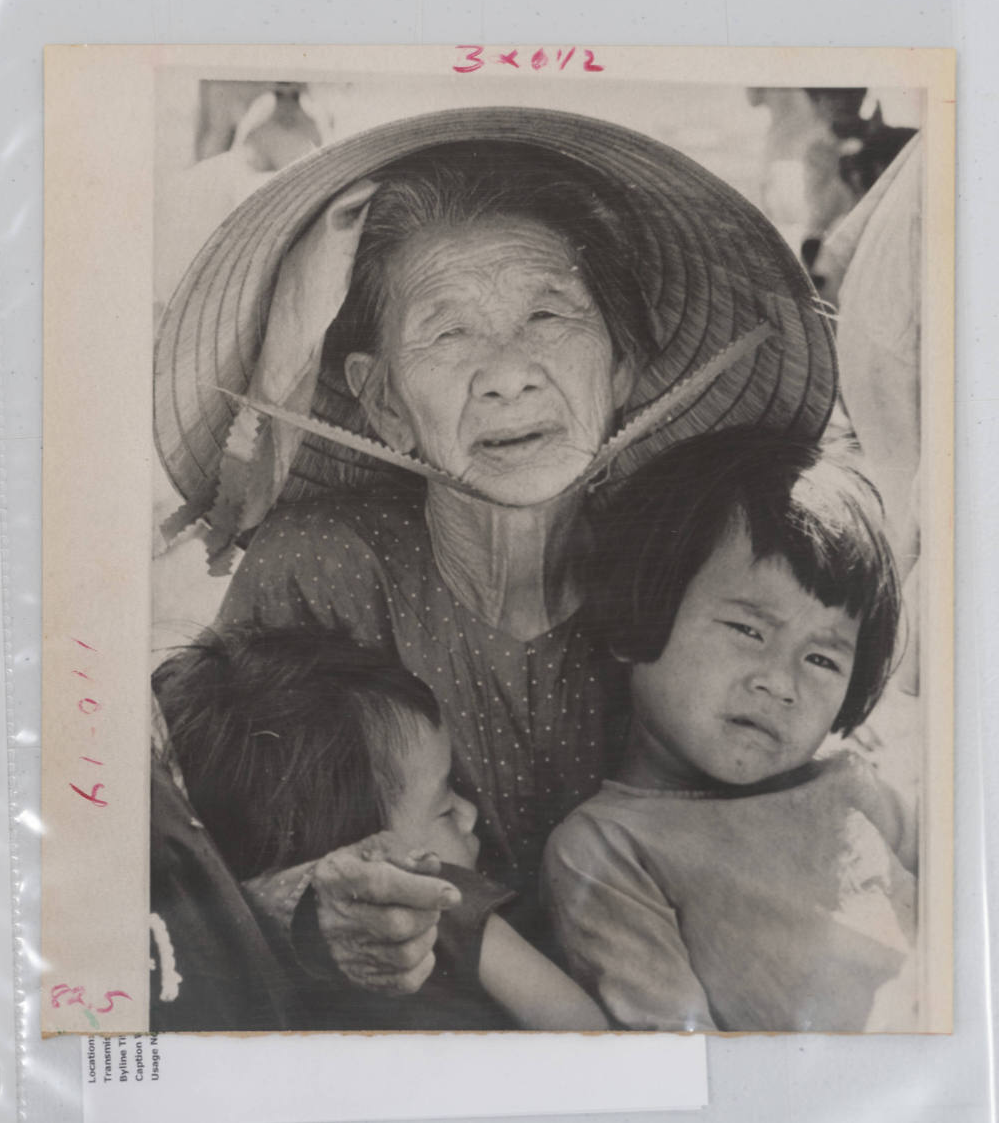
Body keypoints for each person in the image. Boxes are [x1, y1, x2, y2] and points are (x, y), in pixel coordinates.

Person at [153, 108, 839, 1008]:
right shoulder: (321, 570)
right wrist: (317, 912)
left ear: (625, 365)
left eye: (550, 314)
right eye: (447, 333)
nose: (506, 372)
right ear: (384, 401)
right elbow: (201, 855)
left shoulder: (693, 570)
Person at [542, 430, 915, 1031]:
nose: (781, 682)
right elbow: (685, 1056)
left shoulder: (861, 792)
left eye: (822, 660)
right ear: (640, 610)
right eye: (748, 630)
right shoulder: (609, 846)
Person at [155, 626, 607, 1031]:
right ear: (369, 861)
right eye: (444, 806)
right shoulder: (442, 898)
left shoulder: (236, 964)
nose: (470, 813)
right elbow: (581, 1031)